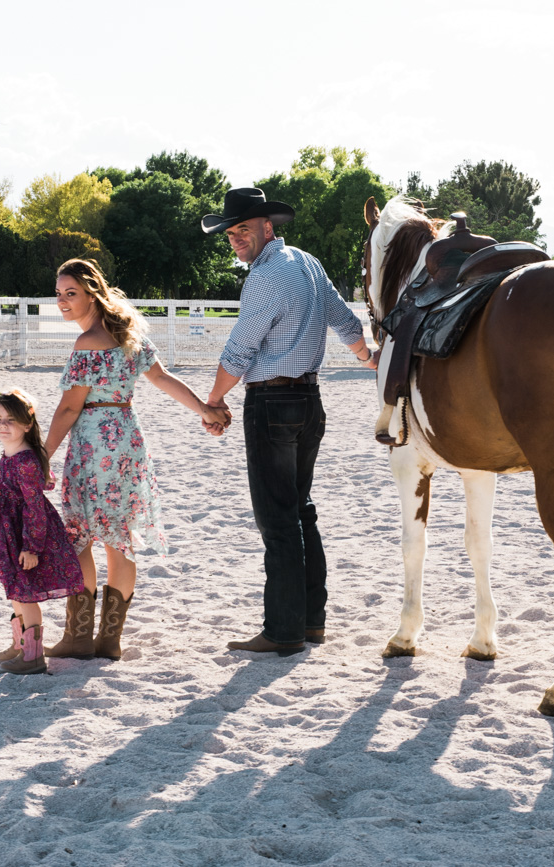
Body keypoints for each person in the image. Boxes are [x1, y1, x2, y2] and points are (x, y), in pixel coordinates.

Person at [201, 188, 377, 656]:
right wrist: (366, 358)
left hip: (272, 402)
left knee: (278, 519)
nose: (235, 238)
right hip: (309, 400)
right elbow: (343, 319)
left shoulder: (265, 276)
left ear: (267, 227)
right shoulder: (308, 263)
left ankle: (283, 630)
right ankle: (311, 621)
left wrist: (213, 402)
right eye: (230, 232)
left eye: (242, 229)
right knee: (301, 511)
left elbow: (239, 351)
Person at [44, 259, 229, 660]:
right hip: (126, 439)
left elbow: (68, 408)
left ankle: (77, 638)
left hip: (94, 444)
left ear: (92, 292)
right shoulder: (127, 333)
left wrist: (42, 456)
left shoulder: (87, 342)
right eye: (58, 294)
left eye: (70, 293)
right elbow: (161, 378)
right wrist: (204, 409)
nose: (62, 301)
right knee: (119, 541)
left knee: (79, 537)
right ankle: (109, 640)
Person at [0, 389, 85, 675]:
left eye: (10, 420)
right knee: (14, 587)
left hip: (25, 534)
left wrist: (32, 547)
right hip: (9, 531)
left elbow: (35, 507)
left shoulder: (25, 462)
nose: (3, 425)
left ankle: (32, 656)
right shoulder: (9, 453)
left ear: (27, 424)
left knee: (25, 593)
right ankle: (19, 645)